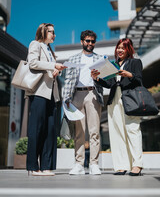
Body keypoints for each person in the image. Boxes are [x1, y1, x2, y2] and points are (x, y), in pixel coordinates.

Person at [91, 38, 143, 176]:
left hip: (130, 98)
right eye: (118, 47)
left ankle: (137, 164)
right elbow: (109, 84)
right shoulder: (114, 65)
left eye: (123, 47)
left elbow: (139, 79)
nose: (120, 50)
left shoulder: (135, 62)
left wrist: (128, 74)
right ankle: (121, 165)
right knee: (117, 132)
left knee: (132, 129)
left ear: (129, 49)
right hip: (114, 99)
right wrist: (97, 79)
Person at [26, 23, 66, 176]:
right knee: (36, 129)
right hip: (39, 92)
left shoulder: (50, 50)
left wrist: (57, 71)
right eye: (51, 32)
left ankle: (46, 166)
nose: (54, 35)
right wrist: (53, 65)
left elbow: (50, 70)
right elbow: (33, 63)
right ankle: (33, 167)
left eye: (54, 32)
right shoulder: (35, 44)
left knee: (50, 130)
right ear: (43, 31)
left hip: (52, 94)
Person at [63, 30, 104, 175]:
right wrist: (66, 98)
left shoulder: (100, 58)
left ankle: (94, 163)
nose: (90, 44)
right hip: (77, 95)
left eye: (92, 41)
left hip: (93, 93)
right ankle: (79, 163)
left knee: (94, 131)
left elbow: (105, 79)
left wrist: (99, 77)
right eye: (87, 41)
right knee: (79, 132)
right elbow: (68, 80)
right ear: (82, 42)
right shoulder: (73, 59)